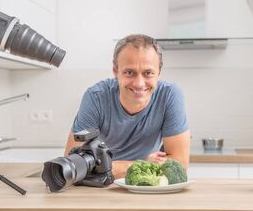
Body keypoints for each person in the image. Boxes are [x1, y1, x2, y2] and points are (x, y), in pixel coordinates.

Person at [64, 34, 190, 179]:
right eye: (129, 72)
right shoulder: (96, 97)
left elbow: (180, 163)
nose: (139, 83)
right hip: (103, 187)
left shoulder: (169, 95)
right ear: (115, 71)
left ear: (159, 73)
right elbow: (74, 164)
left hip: (147, 186)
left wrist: (109, 168)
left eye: (148, 73)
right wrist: (143, 165)